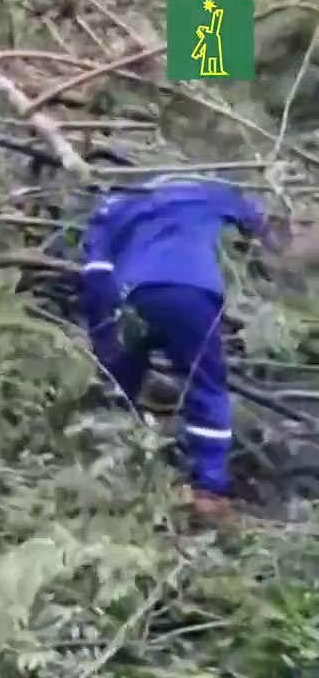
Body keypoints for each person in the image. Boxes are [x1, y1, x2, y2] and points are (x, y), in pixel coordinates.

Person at [78, 174, 280, 519]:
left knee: (121, 382)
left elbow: (96, 272)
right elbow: (264, 228)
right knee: (206, 385)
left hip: (131, 295)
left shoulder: (116, 203)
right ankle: (209, 490)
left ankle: (113, 465)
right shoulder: (209, 192)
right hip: (192, 289)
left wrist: (103, 340)